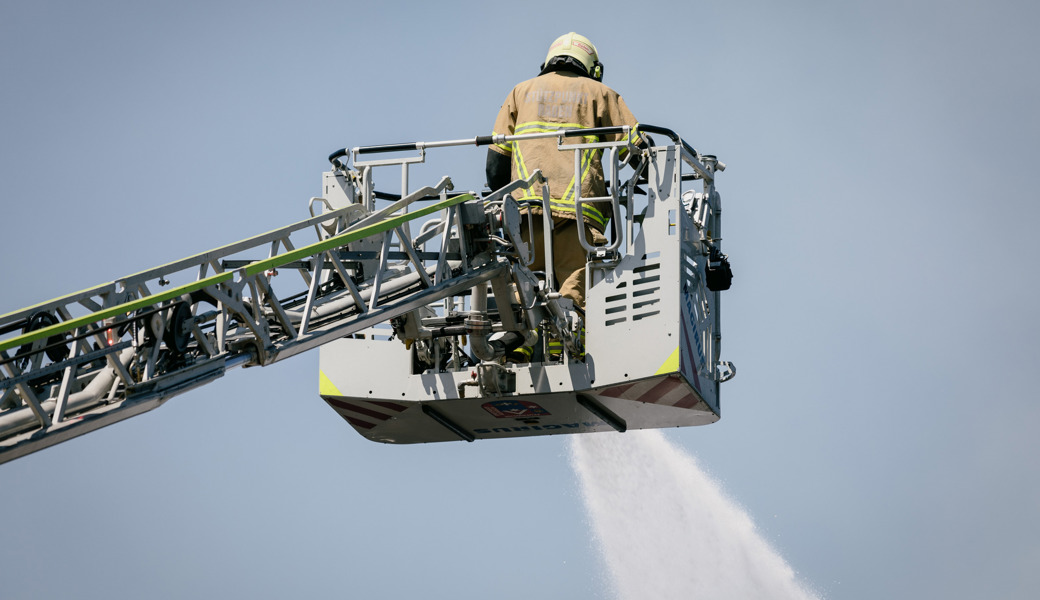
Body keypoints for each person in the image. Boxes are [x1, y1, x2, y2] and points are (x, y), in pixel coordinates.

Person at [486, 32, 644, 314]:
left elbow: (495, 166)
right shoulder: (600, 93)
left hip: (526, 214)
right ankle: (572, 331)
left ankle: (523, 335)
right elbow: (637, 151)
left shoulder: (520, 92)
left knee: (524, 295)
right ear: (593, 67)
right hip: (579, 215)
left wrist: (507, 204)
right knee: (574, 299)